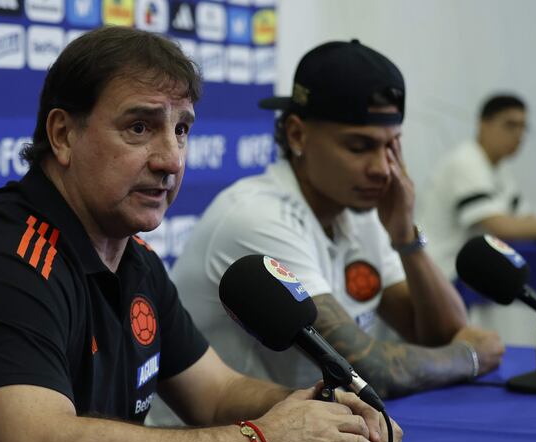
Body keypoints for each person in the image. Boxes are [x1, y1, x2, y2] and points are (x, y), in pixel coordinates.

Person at [0, 28, 402, 442]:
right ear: (63, 135)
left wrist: (323, 417)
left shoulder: (132, 258)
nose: (170, 159)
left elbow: (215, 393)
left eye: (181, 129)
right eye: (139, 128)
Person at [153, 40, 504, 416]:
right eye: (359, 147)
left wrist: (406, 239)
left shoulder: (359, 211)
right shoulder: (257, 217)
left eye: (391, 147)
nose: (382, 169)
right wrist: (470, 357)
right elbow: (365, 372)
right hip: (216, 441)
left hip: (302, 430)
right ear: (297, 135)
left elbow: (440, 333)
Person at [421, 94, 536, 279]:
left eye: (523, 127)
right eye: (510, 125)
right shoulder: (466, 162)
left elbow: (522, 219)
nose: (518, 135)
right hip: (443, 274)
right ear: (483, 125)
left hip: (468, 273)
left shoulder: (499, 168)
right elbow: (501, 227)